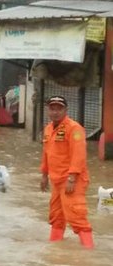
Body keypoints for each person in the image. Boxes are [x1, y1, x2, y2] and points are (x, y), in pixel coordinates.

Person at [40, 96, 94, 249]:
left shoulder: (74, 128)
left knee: (77, 217)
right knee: (56, 217)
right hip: (56, 180)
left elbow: (79, 154)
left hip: (72, 180)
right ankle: (55, 248)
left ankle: (88, 252)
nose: (55, 112)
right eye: (52, 108)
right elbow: (46, 153)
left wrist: (72, 177)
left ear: (65, 110)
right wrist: (44, 175)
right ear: (48, 110)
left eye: (59, 109)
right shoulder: (48, 129)